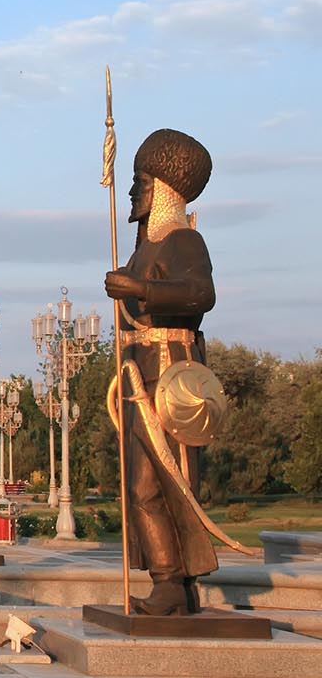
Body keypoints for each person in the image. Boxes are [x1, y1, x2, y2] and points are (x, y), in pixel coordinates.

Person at [104, 128, 218, 616]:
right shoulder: (141, 250)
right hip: (137, 376)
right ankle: (168, 581)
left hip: (171, 375)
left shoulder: (184, 240)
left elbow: (200, 294)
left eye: (140, 181)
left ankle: (177, 584)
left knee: (168, 482)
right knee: (139, 486)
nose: (132, 191)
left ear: (163, 190)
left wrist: (141, 290)